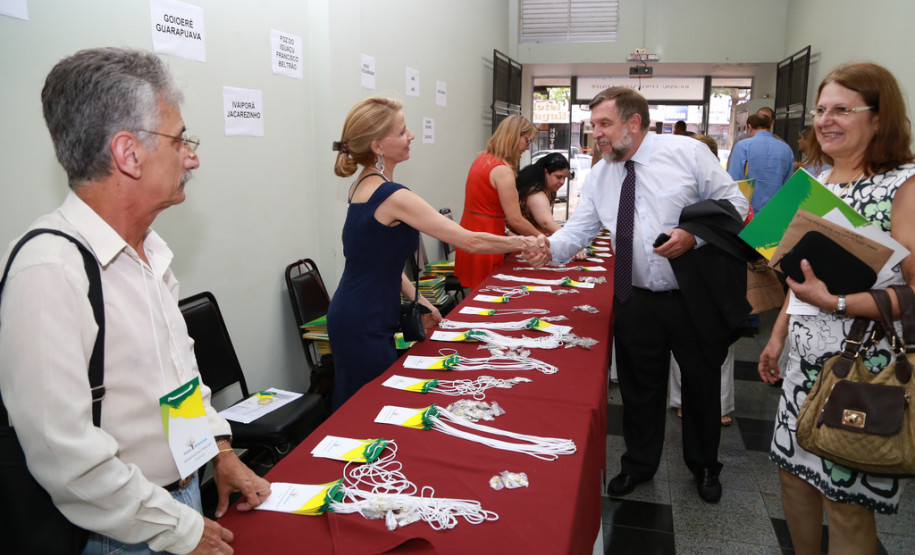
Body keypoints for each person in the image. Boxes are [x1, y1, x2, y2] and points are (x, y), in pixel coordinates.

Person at [0, 48, 270, 554]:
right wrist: (179, 529)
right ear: (128, 154)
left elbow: (175, 379)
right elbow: (67, 460)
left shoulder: (150, 254)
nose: (192, 156)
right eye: (180, 139)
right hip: (118, 534)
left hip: (177, 503)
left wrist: (218, 451)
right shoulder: (50, 271)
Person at [529, 86, 750, 504]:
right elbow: (581, 230)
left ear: (633, 123)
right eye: (593, 125)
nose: (596, 133)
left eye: (604, 124)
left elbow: (734, 204)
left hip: (692, 297)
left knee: (701, 387)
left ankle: (704, 466)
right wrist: (548, 249)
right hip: (636, 299)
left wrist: (693, 237)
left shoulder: (686, 154)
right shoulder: (600, 175)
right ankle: (638, 464)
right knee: (638, 390)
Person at [758, 62, 915, 554]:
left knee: (845, 506)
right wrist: (778, 335)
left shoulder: (903, 186)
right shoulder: (810, 180)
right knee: (794, 482)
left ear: (879, 116)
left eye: (842, 109)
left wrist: (839, 301)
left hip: (863, 371)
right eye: (820, 109)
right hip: (803, 365)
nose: (826, 120)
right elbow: (796, 274)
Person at [328, 97, 546, 410]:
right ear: (378, 146)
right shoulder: (392, 195)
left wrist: (419, 299)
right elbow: (469, 241)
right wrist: (525, 243)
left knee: (365, 404)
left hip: (357, 312)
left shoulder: (363, 185)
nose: (412, 135)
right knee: (369, 408)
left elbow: (380, 262)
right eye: (403, 131)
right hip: (364, 320)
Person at [669, 133, 735, 427]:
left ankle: (690, 402)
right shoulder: (725, 187)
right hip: (711, 276)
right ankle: (711, 405)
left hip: (712, 274)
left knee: (710, 348)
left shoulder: (726, 192)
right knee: (713, 350)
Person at [454, 115, 544, 290]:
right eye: (527, 140)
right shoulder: (502, 170)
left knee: (479, 294)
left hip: (471, 232)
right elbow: (516, 219)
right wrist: (543, 241)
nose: (527, 147)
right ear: (513, 136)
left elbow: (487, 208)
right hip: (486, 237)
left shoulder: (482, 159)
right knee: (487, 294)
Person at [514, 152, 570, 234]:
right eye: (558, 177)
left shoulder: (547, 188)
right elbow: (547, 223)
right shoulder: (536, 194)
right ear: (546, 172)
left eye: (565, 177)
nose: (562, 182)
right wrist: (570, 238)